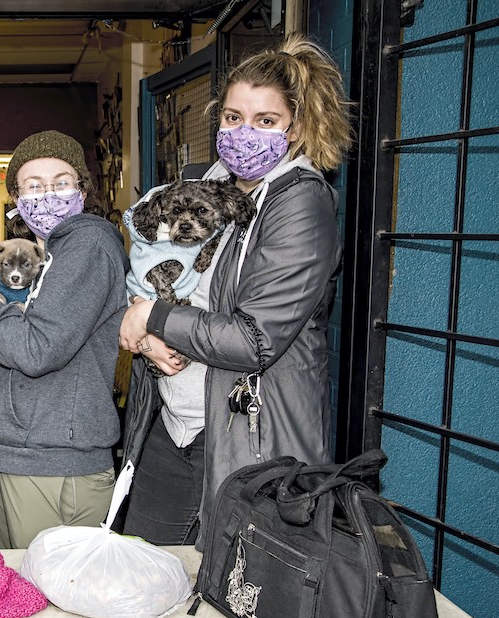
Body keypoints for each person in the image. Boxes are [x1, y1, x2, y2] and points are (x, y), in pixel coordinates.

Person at [119, 33, 353, 546]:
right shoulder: (210, 187)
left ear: (295, 129)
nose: (244, 133)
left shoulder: (300, 204)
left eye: (265, 121)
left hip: (249, 434)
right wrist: (147, 327)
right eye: (232, 118)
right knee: (143, 567)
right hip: (178, 417)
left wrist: (154, 318)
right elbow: (155, 268)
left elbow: (255, 339)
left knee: (230, 595)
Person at [0, 130, 129, 549]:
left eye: (61, 182)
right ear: (15, 198)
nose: (47, 195)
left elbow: (35, 350)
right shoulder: (51, 259)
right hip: (28, 452)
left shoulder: (87, 244)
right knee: (26, 594)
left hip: (54, 462)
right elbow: (16, 352)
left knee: (51, 599)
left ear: (83, 189)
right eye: (33, 186)